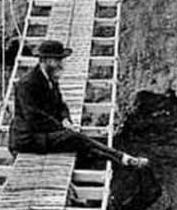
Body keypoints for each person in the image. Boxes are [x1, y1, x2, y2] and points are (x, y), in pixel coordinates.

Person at [9, 39, 149, 168]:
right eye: (57, 60)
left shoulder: (50, 78)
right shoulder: (26, 84)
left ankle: (122, 160)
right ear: (46, 60)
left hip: (42, 133)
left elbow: (61, 104)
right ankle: (122, 158)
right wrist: (61, 129)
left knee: (81, 145)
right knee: (75, 139)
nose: (61, 64)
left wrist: (65, 119)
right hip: (27, 139)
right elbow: (33, 118)